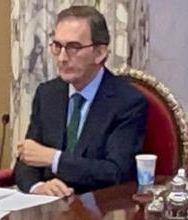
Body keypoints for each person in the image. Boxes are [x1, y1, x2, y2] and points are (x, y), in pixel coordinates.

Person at [13, 5, 148, 198]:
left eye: (73, 48)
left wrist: (55, 159)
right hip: (47, 209)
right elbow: (27, 159)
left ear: (100, 52)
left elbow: (116, 172)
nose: (62, 58)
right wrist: (38, 187)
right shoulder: (47, 94)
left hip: (99, 213)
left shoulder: (127, 102)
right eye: (57, 46)